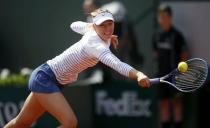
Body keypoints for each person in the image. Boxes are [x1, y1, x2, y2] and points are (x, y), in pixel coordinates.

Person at [4, 9, 150, 128]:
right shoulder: (96, 46)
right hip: (45, 78)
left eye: (109, 24)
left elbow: (74, 25)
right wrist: (138, 74)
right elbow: (117, 64)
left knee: (21, 123)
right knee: (70, 123)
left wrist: (103, 34)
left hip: (48, 78)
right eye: (102, 25)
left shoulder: (93, 32)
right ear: (95, 25)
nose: (107, 28)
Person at [82, 0, 143, 82]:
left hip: (122, 38)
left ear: (94, 6)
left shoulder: (114, 9)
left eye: (87, 7)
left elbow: (123, 23)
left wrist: (122, 40)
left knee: (121, 65)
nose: (85, 10)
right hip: (110, 44)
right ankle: (103, 77)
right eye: (85, 8)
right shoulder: (90, 20)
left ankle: (137, 71)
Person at [152, 4, 189, 128]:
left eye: (164, 16)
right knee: (164, 104)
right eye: (160, 16)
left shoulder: (177, 35)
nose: (162, 19)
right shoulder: (156, 35)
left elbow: (184, 54)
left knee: (177, 103)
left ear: (170, 17)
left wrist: (180, 74)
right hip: (161, 76)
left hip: (176, 77)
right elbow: (156, 54)